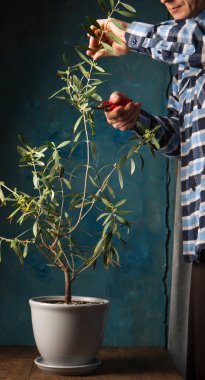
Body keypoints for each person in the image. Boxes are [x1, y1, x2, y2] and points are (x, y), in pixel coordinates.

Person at [87, 1, 205, 379]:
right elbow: (180, 143)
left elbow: (198, 40)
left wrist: (126, 32)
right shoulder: (184, 66)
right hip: (201, 232)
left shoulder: (193, 41)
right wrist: (138, 121)